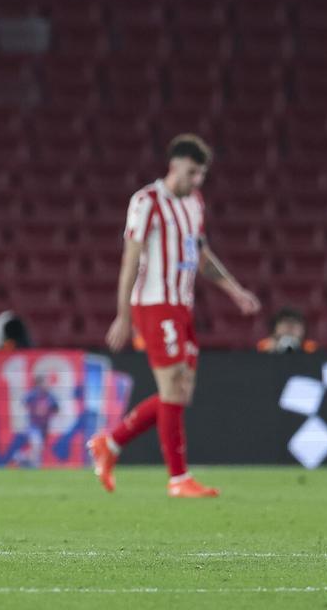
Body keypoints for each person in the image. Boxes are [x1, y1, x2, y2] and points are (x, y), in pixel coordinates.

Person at [88, 134, 260, 498]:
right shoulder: (146, 201)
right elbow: (130, 259)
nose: (197, 181)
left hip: (182, 305)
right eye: (192, 173)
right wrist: (123, 315)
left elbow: (202, 255)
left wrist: (235, 291)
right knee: (172, 389)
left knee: (179, 392)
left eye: (202, 175)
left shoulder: (195, 202)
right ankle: (178, 479)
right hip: (153, 304)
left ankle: (110, 442)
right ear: (175, 165)